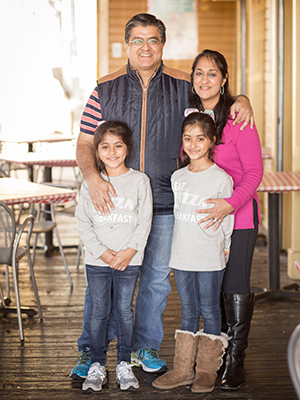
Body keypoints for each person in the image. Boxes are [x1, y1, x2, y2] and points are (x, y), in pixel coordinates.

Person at [70, 12, 254, 380]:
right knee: (103, 281)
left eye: (152, 40)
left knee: (155, 280)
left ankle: (142, 349)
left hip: (167, 202)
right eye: (137, 40)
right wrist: (92, 179)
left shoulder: (183, 85)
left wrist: (243, 98)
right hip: (115, 204)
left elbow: (213, 99)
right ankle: (92, 353)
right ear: (127, 45)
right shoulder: (104, 88)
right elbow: (85, 142)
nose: (145, 47)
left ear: (162, 45)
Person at [185, 49, 263, 389]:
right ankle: (215, 357)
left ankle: (236, 361)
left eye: (212, 74)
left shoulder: (238, 116)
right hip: (203, 219)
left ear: (224, 79)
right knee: (212, 291)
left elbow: (254, 172)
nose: (205, 80)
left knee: (234, 287)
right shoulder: (188, 116)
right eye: (199, 73)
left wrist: (229, 205)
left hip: (240, 215)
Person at [152, 111, 234, 393]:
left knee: (210, 310)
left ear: (212, 141)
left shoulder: (221, 179)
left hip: (210, 255)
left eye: (200, 138)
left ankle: (206, 372)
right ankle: (183, 369)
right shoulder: (178, 177)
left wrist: (224, 249)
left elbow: (227, 220)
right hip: (183, 254)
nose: (193, 144)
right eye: (188, 138)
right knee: (188, 310)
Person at [75, 120, 153, 392]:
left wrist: (130, 251)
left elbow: (145, 221)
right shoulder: (90, 184)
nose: (111, 151)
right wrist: (104, 252)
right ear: (97, 152)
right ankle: (97, 363)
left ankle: (123, 363)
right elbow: (83, 223)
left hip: (128, 260)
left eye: (118, 145)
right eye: (105, 146)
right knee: (98, 312)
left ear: (127, 148)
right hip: (98, 260)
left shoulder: (139, 181)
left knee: (123, 311)